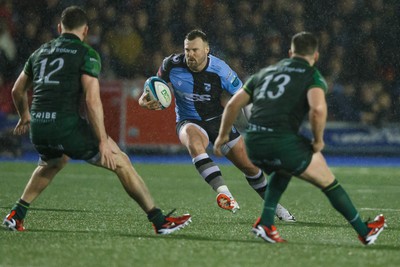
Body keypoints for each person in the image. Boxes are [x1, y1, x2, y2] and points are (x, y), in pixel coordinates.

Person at [2, 6, 191, 235]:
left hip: (39, 127)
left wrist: (25, 116)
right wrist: (102, 140)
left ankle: (16, 215)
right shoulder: (86, 53)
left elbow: (16, 90)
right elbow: (92, 100)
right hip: (66, 126)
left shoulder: (40, 52)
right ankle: (159, 221)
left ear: (60, 28)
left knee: (54, 162)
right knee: (121, 161)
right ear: (86, 30)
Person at [214, 31, 386, 245]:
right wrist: (318, 140)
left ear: (290, 53)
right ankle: (364, 231)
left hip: (253, 143)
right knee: (328, 181)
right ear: (315, 56)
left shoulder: (267, 72)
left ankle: (266, 223)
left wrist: (222, 136)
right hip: (280, 141)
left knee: (284, 169)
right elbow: (317, 110)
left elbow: (232, 104)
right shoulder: (311, 75)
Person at [139, 29, 295, 221]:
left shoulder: (221, 70)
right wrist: (143, 101)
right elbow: (153, 88)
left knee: (250, 167)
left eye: (195, 50)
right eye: (187, 50)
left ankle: (276, 208)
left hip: (218, 121)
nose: (190, 54)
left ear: (207, 50)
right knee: (194, 143)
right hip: (188, 120)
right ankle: (225, 194)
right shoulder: (170, 64)